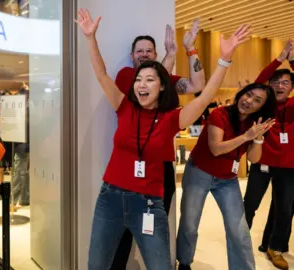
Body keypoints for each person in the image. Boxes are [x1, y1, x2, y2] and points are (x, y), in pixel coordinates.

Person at [75, 8, 250, 269]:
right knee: (97, 264)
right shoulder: (124, 105)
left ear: (163, 84)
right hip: (110, 197)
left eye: (149, 79)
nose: (141, 84)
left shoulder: (172, 118)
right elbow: (101, 74)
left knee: (160, 265)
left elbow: (202, 96)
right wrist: (90, 38)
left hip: (148, 202)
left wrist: (224, 59)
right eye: (139, 80)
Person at [111, 17, 206, 270]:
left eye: (149, 51)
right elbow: (149, 90)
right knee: (123, 231)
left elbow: (198, 85)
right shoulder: (126, 76)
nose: (144, 55)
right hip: (129, 168)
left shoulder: (167, 81)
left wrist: (189, 49)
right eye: (139, 51)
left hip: (161, 167)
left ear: (156, 53)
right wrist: (170, 57)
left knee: (156, 229)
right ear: (132, 56)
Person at [176, 83, 276, 270]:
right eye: (248, 94)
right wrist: (247, 136)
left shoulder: (255, 125)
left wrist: (258, 137)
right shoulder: (219, 114)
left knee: (239, 229)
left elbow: (254, 159)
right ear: (241, 93)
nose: (249, 101)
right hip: (200, 171)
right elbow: (216, 149)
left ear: (262, 107)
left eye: (257, 100)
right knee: (190, 222)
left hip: (227, 179)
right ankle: (184, 262)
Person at [243, 40, 294, 269]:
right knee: (250, 204)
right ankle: (241, 242)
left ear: (291, 87)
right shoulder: (264, 105)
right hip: (262, 162)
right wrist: (280, 58)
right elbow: (257, 82)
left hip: (289, 166)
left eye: (285, 82)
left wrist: (292, 62)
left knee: (285, 208)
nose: (280, 86)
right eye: (275, 82)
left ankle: (275, 248)